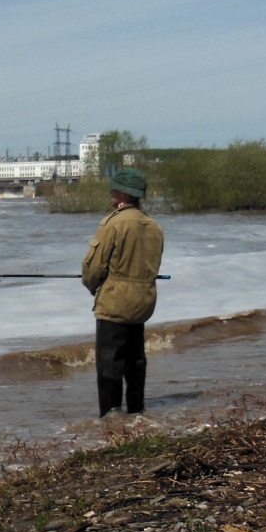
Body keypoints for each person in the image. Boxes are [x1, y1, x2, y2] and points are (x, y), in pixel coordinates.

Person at [81, 167, 164, 416]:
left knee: (110, 362)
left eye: (113, 189)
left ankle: (110, 414)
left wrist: (92, 286)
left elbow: (94, 268)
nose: (110, 193)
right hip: (144, 302)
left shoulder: (113, 224)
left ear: (122, 194)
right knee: (135, 359)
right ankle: (136, 410)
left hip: (115, 302)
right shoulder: (154, 227)